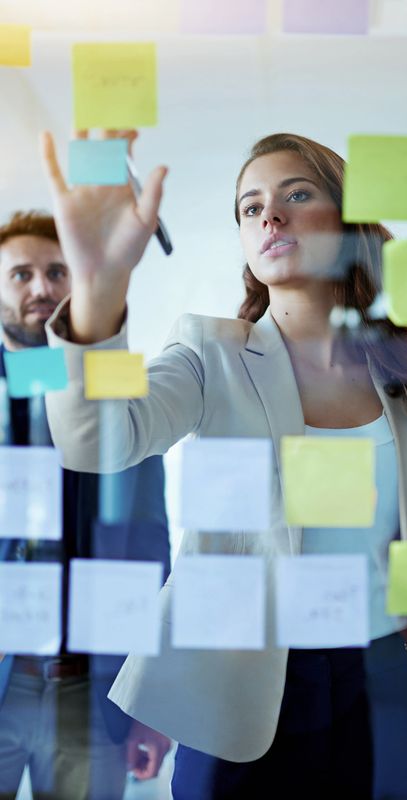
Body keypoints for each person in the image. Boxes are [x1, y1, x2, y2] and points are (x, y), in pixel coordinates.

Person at [37, 130, 407, 799]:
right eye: (251, 207)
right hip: (246, 701)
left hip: (390, 694)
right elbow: (97, 441)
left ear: (348, 222)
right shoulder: (211, 355)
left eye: (295, 195)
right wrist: (99, 293)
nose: (269, 215)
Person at [0, 211, 172, 799]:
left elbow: (148, 544)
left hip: (90, 688)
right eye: (20, 275)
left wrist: (150, 700)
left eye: (56, 272)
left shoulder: (120, 387)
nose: (41, 288)